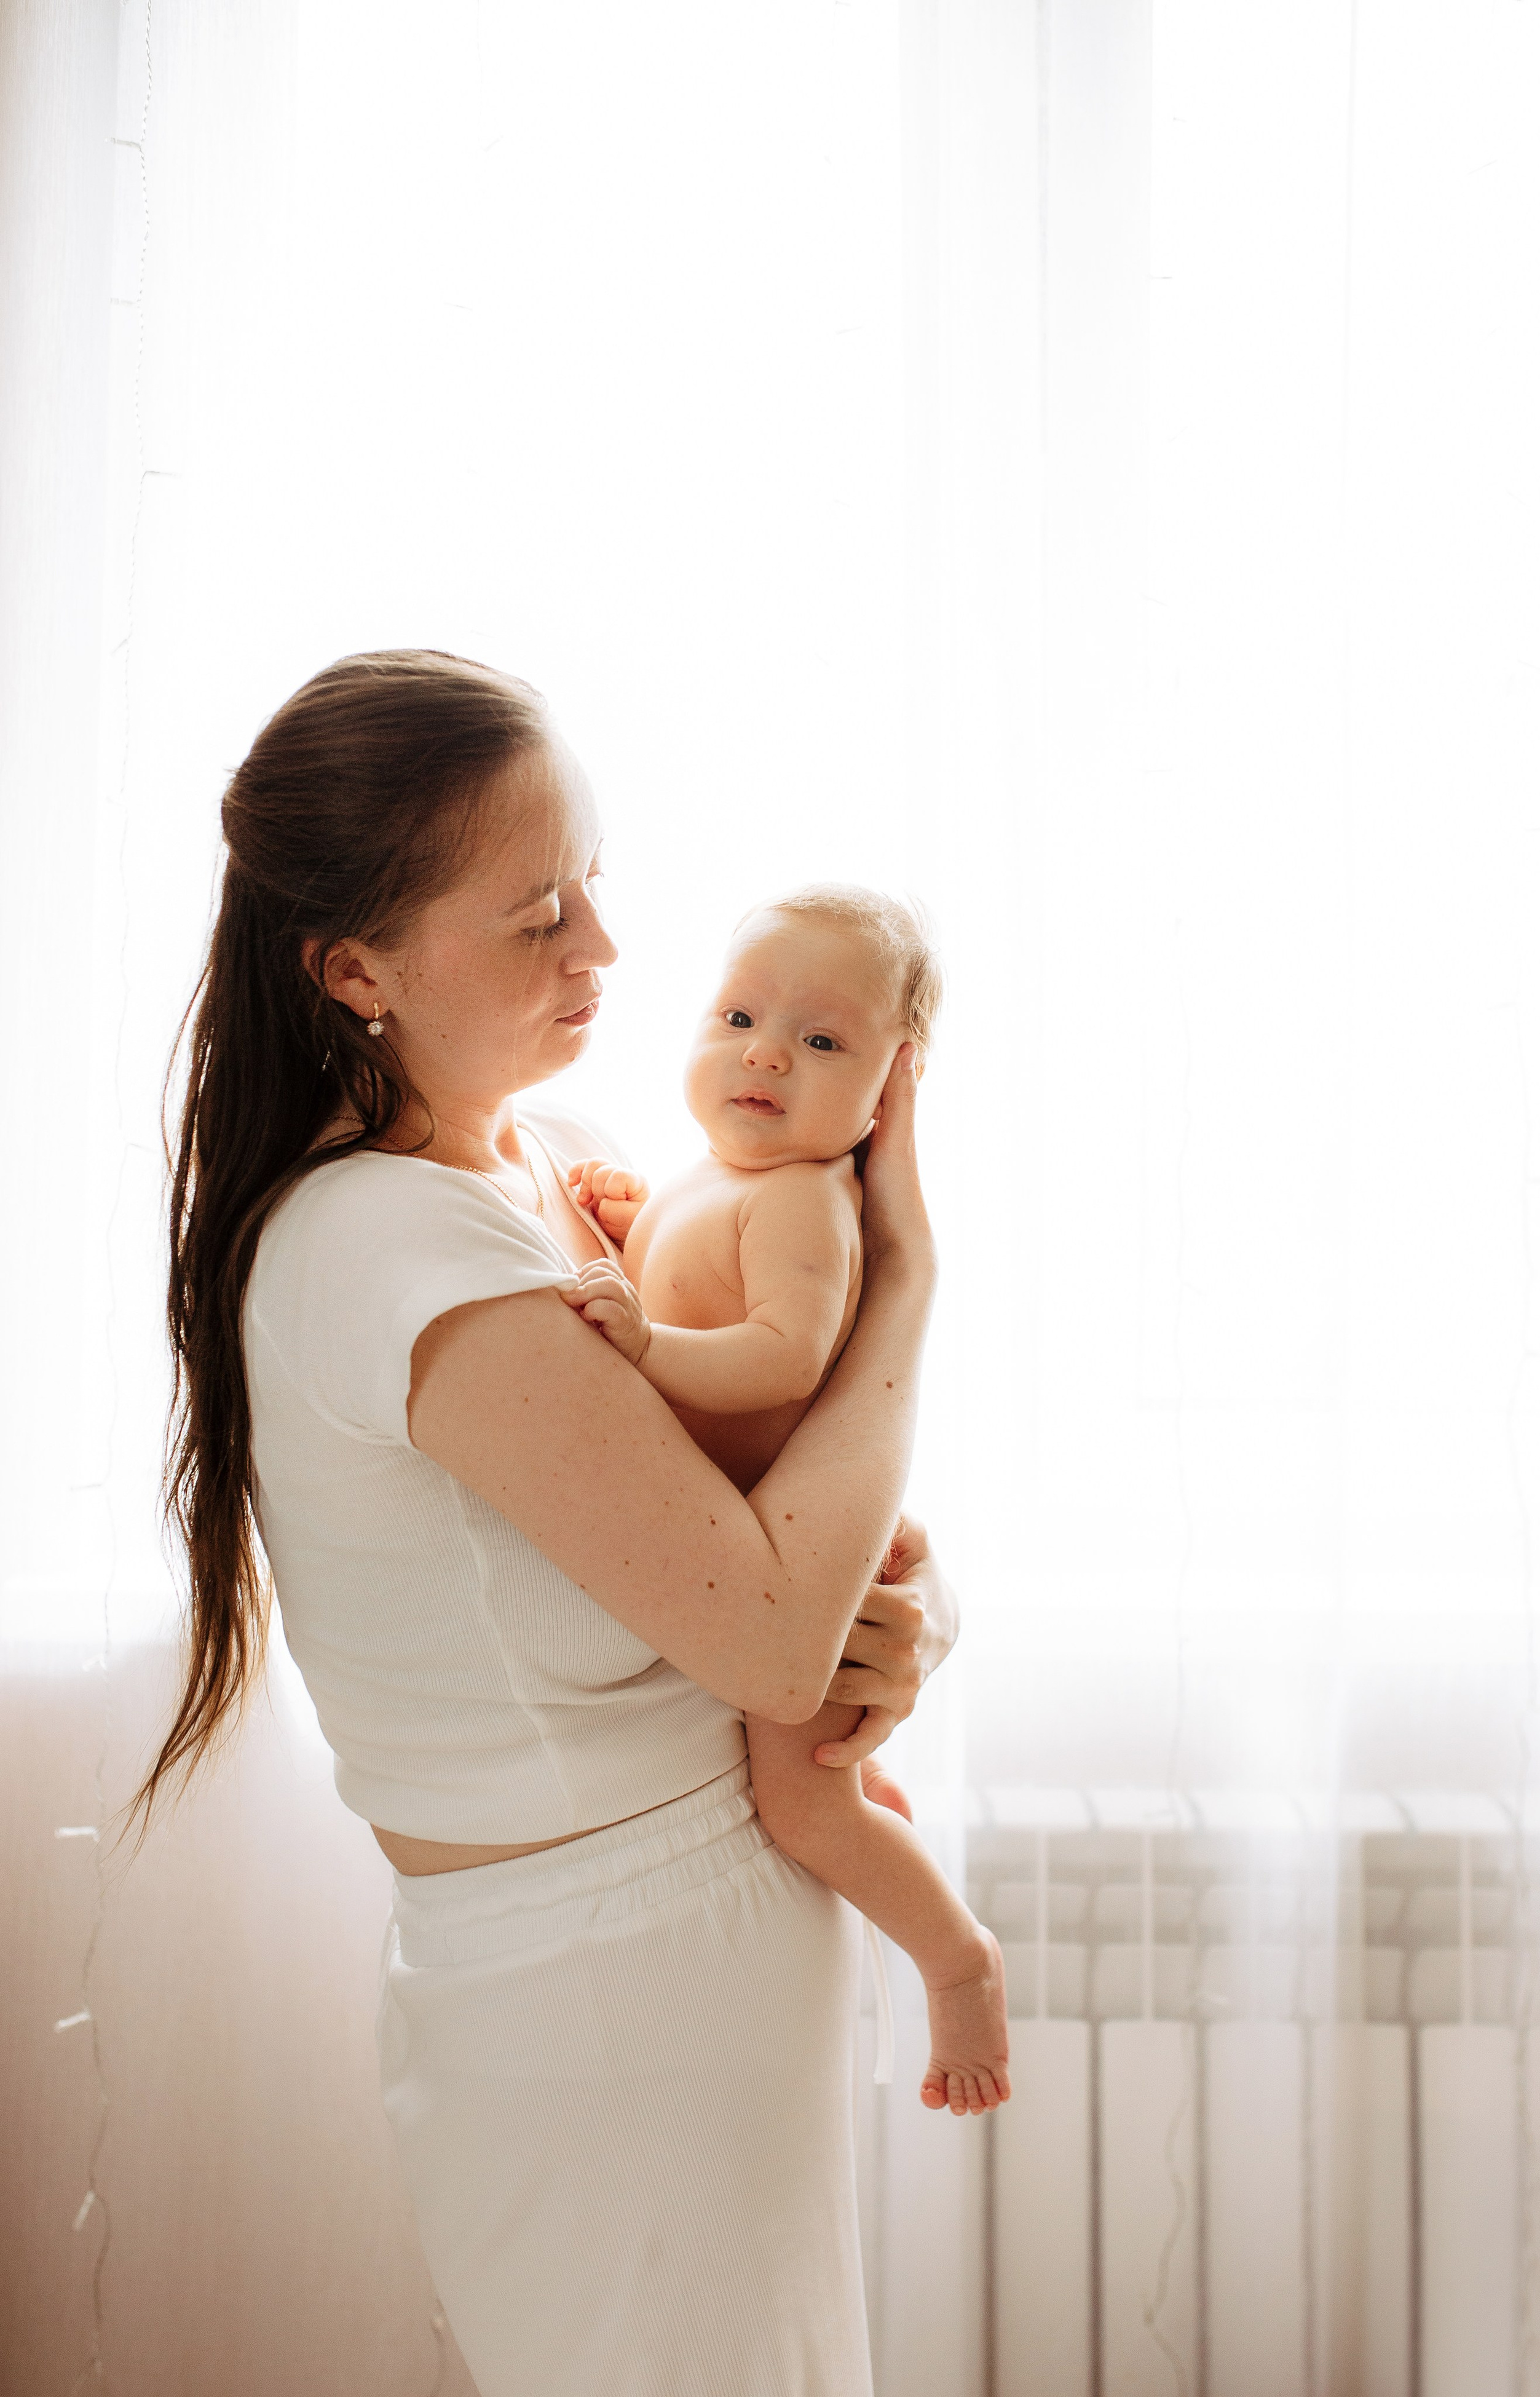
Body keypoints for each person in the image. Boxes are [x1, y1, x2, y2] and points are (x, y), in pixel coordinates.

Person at [138, 649, 959, 2397]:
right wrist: (904, 1284)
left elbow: (781, 1511)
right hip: (612, 1996)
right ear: (356, 968)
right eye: (534, 916)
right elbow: (753, 1625)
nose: (599, 948)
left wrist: (912, 1611)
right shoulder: (387, 1245)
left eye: (595, 883)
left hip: (689, 1953)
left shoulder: (546, 1170)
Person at [560, 886, 1009, 2116]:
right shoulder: (711, 1176)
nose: (763, 1049)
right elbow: (692, 1261)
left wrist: (645, 1342)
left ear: (885, 1099)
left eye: (820, 1041)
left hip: (791, 1563)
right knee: (825, 1784)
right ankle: (878, 1818)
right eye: (739, 1013)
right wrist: (630, 1220)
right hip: (755, 1537)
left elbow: (782, 1355)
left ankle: (956, 1958)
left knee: (798, 1808)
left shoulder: (804, 1198)